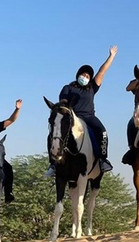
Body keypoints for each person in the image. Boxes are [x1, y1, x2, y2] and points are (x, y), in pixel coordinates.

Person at [49, 45, 117, 177]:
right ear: (78, 75)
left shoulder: (92, 87)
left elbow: (102, 71)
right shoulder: (68, 88)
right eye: (83, 74)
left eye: (87, 76)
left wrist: (111, 56)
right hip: (72, 118)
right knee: (53, 133)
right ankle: (53, 163)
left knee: (103, 132)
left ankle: (103, 160)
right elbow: (62, 104)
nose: (85, 77)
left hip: (89, 117)